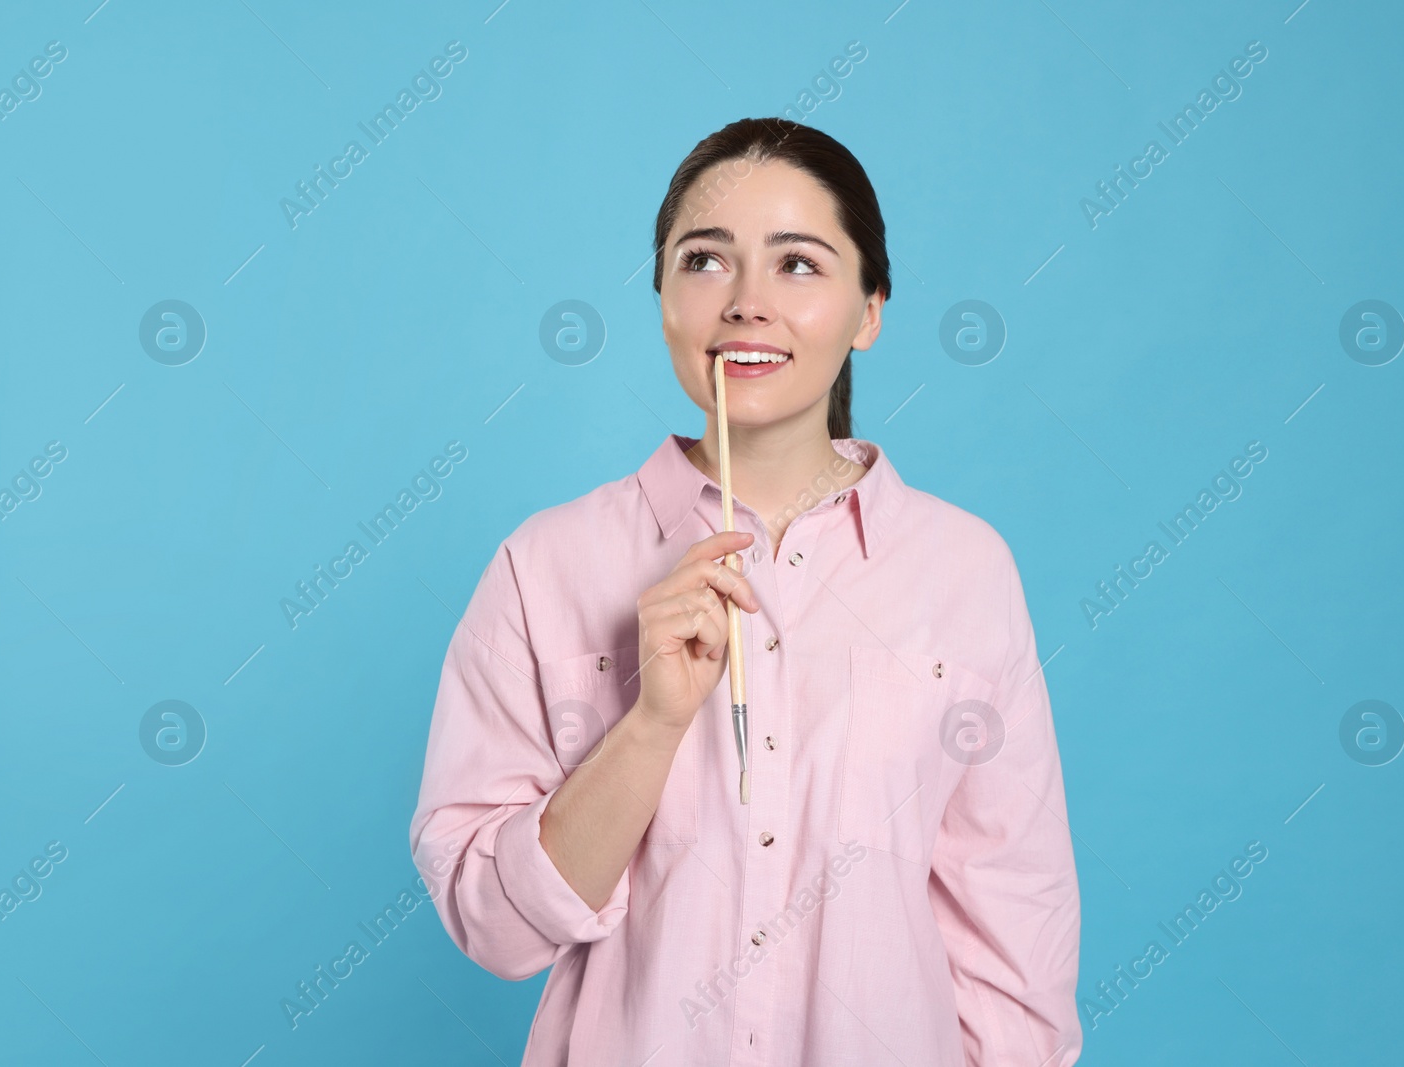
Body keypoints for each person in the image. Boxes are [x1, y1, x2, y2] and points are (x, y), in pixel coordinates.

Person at [409, 116, 1081, 1066]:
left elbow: (1016, 938)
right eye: (706, 261)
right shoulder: (543, 566)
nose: (747, 304)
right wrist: (649, 725)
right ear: (661, 296)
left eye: (799, 264)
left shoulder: (964, 570)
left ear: (871, 307)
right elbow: (496, 929)